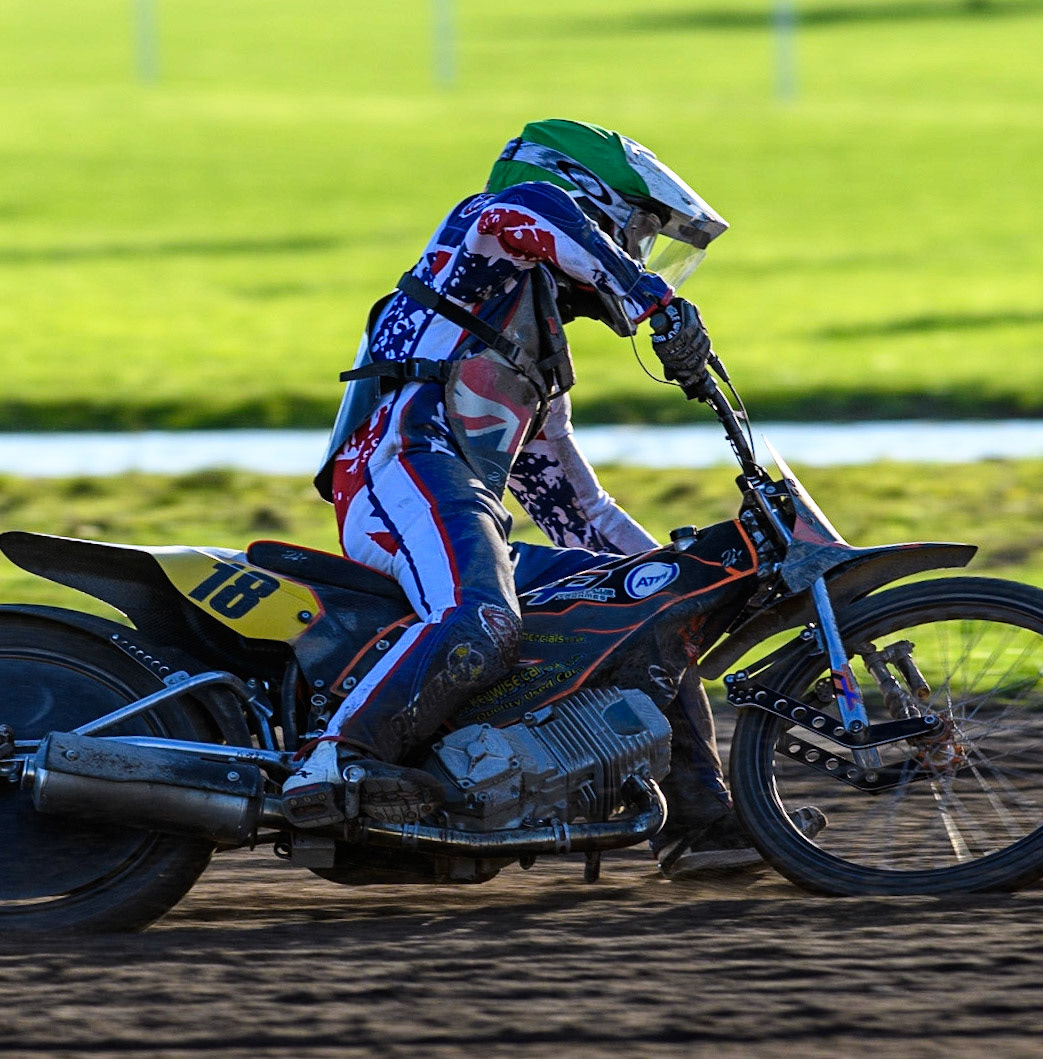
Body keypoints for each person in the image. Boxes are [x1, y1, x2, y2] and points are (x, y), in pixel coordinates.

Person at [284, 119, 759, 875]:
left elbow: (581, 513)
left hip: (456, 499)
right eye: (636, 230)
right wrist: (654, 302)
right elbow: (536, 213)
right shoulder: (481, 234)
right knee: (482, 617)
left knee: (646, 615)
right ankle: (336, 759)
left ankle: (705, 827)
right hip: (398, 466)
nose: (636, 251)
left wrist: (678, 579)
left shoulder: (531, 363)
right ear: (589, 196)